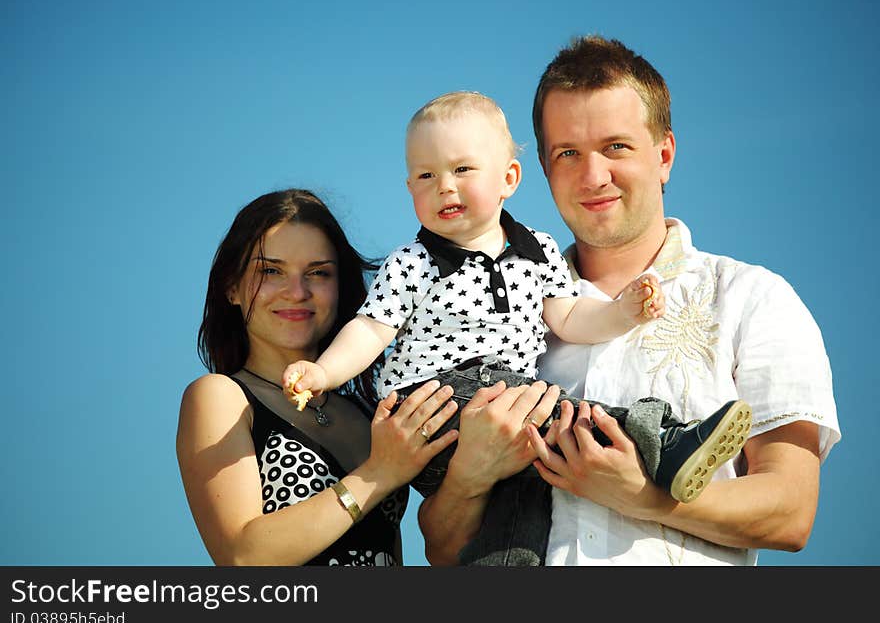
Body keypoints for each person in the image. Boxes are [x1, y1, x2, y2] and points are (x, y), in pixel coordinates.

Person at [418, 35, 841, 566]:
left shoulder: (752, 299)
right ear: (543, 172)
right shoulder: (496, 320)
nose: (594, 177)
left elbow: (790, 513)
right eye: (567, 153)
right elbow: (439, 548)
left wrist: (643, 497)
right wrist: (470, 477)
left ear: (664, 155)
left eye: (615, 146)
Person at [283, 92, 754, 565]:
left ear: (508, 178)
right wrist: (322, 374)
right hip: (434, 403)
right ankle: (665, 442)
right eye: (427, 176)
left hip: (504, 402)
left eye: (462, 170)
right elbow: (370, 330)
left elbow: (570, 317)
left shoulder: (539, 251)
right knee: (562, 415)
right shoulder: (414, 262)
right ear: (410, 190)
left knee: (529, 495)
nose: (445, 186)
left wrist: (622, 312)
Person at [176, 188, 460, 566]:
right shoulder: (220, 396)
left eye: (318, 273)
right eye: (271, 271)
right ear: (232, 287)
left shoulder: (369, 411)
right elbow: (242, 556)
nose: (297, 292)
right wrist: (379, 474)